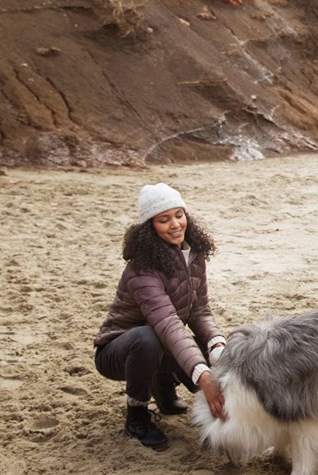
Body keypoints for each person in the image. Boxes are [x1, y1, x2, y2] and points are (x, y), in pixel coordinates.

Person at [94, 183, 227, 450]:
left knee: (212, 354)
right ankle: (137, 415)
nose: (175, 224)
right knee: (149, 339)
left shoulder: (193, 255)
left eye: (179, 215)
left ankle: (163, 388)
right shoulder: (141, 269)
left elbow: (199, 311)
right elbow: (167, 324)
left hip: (160, 339)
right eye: (164, 220)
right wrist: (203, 377)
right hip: (118, 351)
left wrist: (217, 345)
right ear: (150, 227)